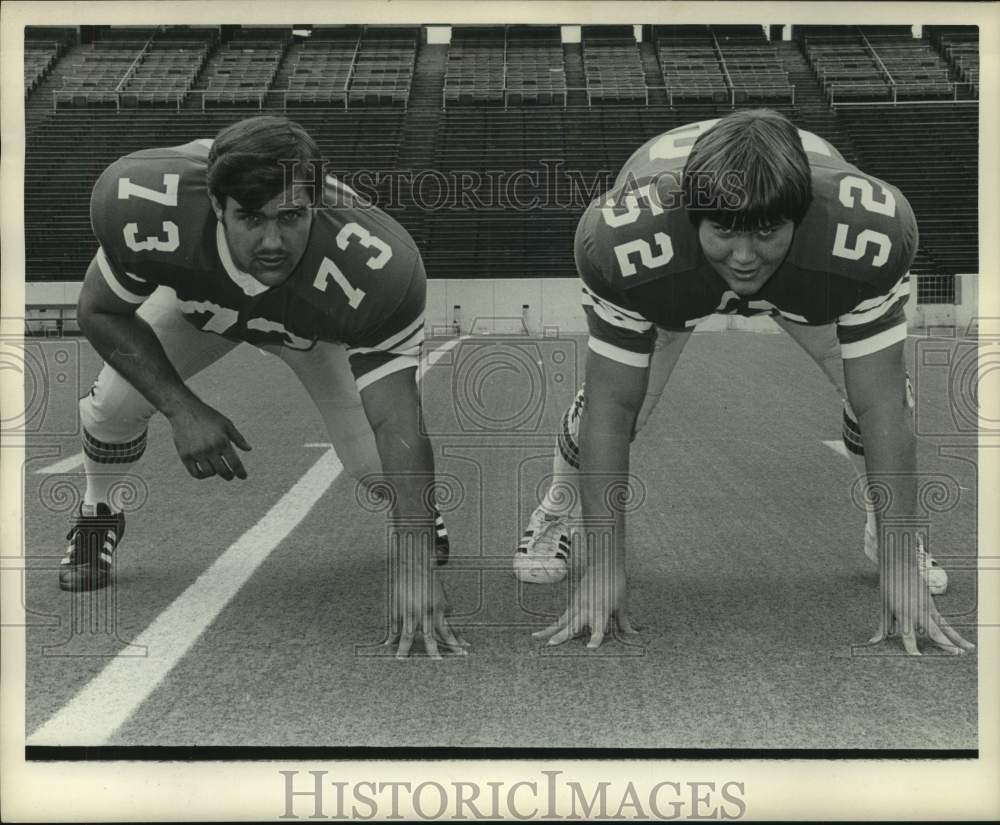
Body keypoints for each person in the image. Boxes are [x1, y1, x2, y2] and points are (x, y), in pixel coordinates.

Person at [514, 109, 972, 655]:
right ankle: (558, 509)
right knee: (617, 405)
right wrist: (606, 568)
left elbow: (884, 406)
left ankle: (890, 531)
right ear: (691, 216)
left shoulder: (860, 232)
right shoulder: (628, 237)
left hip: (805, 272)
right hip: (681, 274)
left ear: (800, 215)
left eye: (766, 231)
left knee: (880, 389)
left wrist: (899, 561)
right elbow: (610, 408)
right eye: (725, 230)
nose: (745, 257)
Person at [64, 115, 463, 658]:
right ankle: (97, 512)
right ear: (216, 204)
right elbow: (100, 310)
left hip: (310, 327)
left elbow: (397, 418)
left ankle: (421, 513)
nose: (273, 241)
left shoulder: (376, 265)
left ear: (316, 205)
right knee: (112, 406)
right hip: (198, 309)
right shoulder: (147, 200)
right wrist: (183, 409)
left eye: (292, 216)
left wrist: (415, 562)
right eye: (250, 218)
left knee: (377, 465)